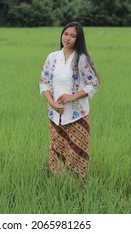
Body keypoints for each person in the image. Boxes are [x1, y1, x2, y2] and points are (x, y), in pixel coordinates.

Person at [39, 22, 99, 182]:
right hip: (55, 115)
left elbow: (93, 84)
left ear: (78, 39)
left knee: (76, 152)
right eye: (66, 34)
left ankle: (78, 188)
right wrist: (52, 103)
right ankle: (58, 185)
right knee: (57, 151)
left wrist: (72, 97)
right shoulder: (52, 57)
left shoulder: (82, 59)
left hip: (76, 115)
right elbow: (43, 82)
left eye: (73, 36)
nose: (68, 38)